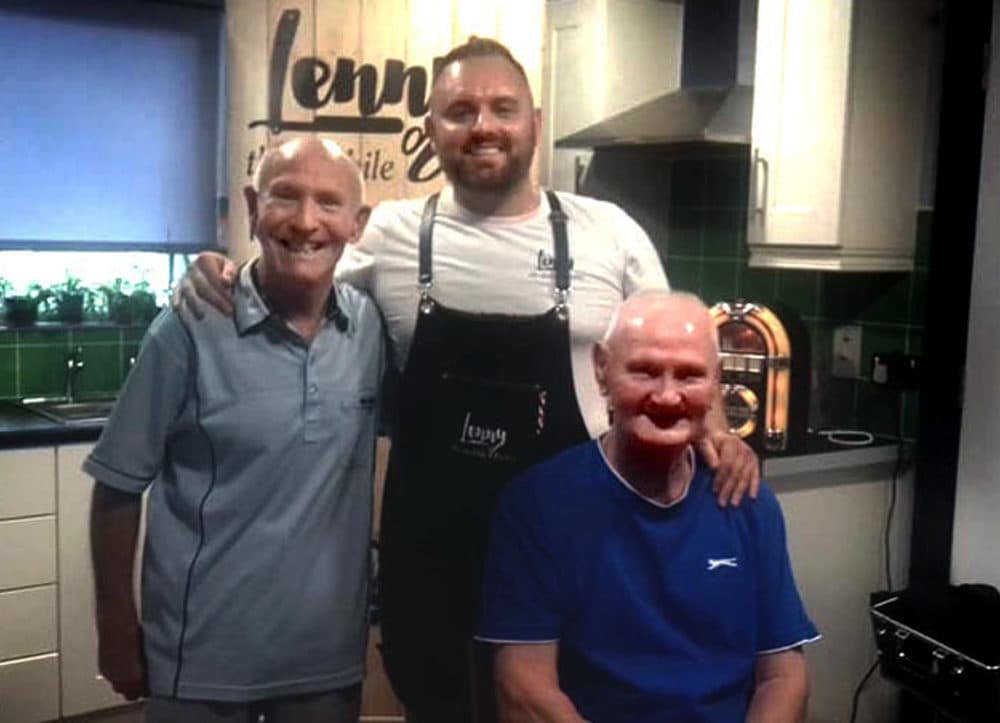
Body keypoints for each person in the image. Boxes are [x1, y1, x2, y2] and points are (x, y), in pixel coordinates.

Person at [178, 37, 760, 723]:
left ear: (534, 123)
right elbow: (286, 266)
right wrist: (219, 270)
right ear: (432, 132)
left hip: (578, 548)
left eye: (501, 108)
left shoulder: (610, 231)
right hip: (432, 553)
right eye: (459, 111)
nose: (482, 125)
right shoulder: (388, 233)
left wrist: (716, 428)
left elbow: (676, 345)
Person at [85, 137, 380, 723]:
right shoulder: (189, 326)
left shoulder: (371, 327)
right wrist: (117, 629)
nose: (305, 221)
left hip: (325, 660)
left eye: (328, 202)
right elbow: (117, 489)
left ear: (357, 223)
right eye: (284, 197)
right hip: (200, 656)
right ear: (252, 206)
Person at [477, 291, 819, 723]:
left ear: (716, 382)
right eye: (644, 372)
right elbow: (524, 691)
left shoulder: (747, 502)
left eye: (690, 376)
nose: (667, 396)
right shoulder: (538, 504)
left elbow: (783, 678)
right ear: (602, 370)